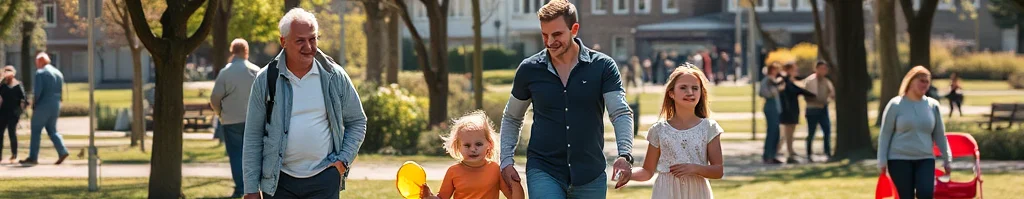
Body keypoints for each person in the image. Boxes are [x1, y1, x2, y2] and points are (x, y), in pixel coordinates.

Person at [499, 1, 635, 198]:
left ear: (575, 29)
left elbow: (620, 112)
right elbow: (512, 117)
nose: (549, 41)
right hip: (544, 170)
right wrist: (506, 160)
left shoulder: (603, 67)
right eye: (544, 35)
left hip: (590, 173)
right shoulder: (529, 70)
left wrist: (625, 155)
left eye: (557, 34)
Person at [242, 8, 368, 199]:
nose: (308, 46)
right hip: (278, 183)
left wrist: (342, 162)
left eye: (313, 39)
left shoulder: (335, 76)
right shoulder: (266, 79)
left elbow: (358, 121)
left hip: (324, 179)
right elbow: (253, 135)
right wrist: (251, 189)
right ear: (283, 42)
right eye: (300, 40)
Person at [623, 64, 724, 198]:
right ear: (671, 93)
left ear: (701, 93)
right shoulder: (658, 130)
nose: (690, 92)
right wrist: (628, 175)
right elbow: (647, 171)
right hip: (666, 193)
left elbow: (718, 171)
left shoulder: (709, 127)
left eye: (695, 88)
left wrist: (695, 168)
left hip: (697, 193)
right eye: (683, 88)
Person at [878, 66, 952, 199]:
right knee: (906, 196)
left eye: (927, 81)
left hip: (925, 159)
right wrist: (882, 161)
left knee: (925, 193)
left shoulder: (933, 105)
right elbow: (885, 134)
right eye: (921, 81)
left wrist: (947, 159)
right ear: (911, 81)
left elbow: (940, 135)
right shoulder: (895, 105)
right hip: (899, 160)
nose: (925, 84)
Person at [420, 111, 525, 199]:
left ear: (489, 144)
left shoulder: (495, 169)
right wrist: (429, 197)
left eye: (478, 144)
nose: (473, 149)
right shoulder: (453, 172)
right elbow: (442, 198)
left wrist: (515, 182)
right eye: (467, 145)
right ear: (458, 146)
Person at [210, 38, 260, 198]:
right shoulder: (256, 71)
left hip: (231, 120)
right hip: (254, 120)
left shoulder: (225, 72)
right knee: (253, 155)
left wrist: (220, 113)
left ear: (232, 51)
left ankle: (240, 188)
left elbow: (214, 98)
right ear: (246, 51)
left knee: (236, 155)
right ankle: (254, 187)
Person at [20, 52, 69, 165]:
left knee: (36, 130)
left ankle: (33, 157)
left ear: (41, 61)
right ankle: (62, 151)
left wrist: (33, 104)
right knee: (52, 130)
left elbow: (38, 91)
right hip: (55, 104)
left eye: (37, 62)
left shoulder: (40, 73)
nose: (36, 64)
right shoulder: (58, 73)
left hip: (43, 104)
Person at [778, 63, 815, 164]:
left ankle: (787, 151)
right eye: (794, 69)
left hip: (793, 110)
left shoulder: (790, 80)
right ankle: (788, 154)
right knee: (787, 134)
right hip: (788, 111)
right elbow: (796, 90)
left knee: (787, 134)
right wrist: (812, 95)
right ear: (789, 70)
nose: (796, 71)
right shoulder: (784, 81)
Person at [803, 61, 835, 162]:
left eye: (825, 69)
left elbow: (832, 93)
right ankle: (808, 153)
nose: (823, 71)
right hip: (812, 109)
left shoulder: (827, 81)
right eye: (821, 68)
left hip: (823, 109)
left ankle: (827, 152)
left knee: (827, 130)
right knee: (811, 132)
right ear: (816, 69)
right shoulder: (810, 81)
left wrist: (827, 99)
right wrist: (816, 100)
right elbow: (806, 95)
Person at [0, 66, 27, 164]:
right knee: (0, 134)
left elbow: (24, 99)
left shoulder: (18, 85)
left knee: (12, 133)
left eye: (9, 71)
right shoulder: (2, 85)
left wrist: (20, 112)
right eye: (5, 71)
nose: (7, 73)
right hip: (2, 113)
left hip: (13, 114)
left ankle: (14, 155)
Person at [758, 64, 784, 164]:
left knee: (776, 132)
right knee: (772, 132)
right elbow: (762, 92)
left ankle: (773, 154)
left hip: (776, 108)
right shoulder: (767, 80)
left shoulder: (774, 80)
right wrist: (774, 91)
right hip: (770, 107)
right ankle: (768, 155)